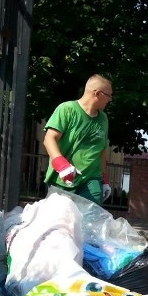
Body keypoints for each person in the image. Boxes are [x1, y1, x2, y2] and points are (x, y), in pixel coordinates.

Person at [43, 74, 113, 205]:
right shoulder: (67, 109)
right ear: (97, 93)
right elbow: (49, 139)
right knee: (61, 223)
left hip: (92, 180)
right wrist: (62, 165)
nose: (110, 100)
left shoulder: (103, 119)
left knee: (90, 223)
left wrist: (104, 179)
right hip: (63, 180)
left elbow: (102, 150)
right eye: (108, 95)